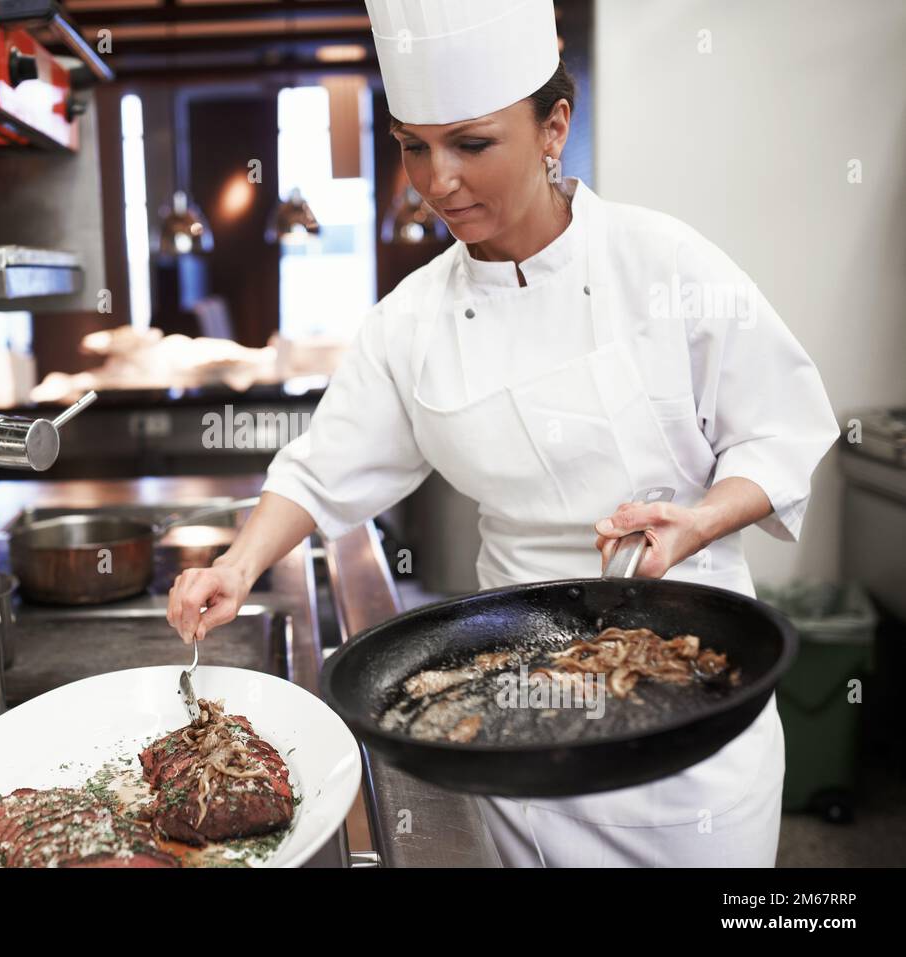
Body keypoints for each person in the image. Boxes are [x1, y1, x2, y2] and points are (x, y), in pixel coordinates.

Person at [166, 0, 840, 866]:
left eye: (471, 145)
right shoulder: (411, 321)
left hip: (684, 693)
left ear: (553, 125)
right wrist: (235, 563)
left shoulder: (663, 265)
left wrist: (701, 519)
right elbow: (319, 471)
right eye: (413, 145)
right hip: (509, 704)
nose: (435, 180)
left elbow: (781, 429)